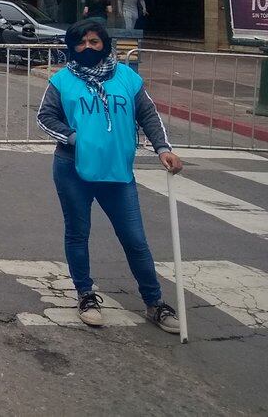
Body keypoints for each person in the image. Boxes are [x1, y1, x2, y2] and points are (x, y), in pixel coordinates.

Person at [36, 20, 184, 333]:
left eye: (94, 41)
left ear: (104, 42)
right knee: (78, 233)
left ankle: (154, 302)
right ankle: (85, 294)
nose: (87, 47)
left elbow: (147, 115)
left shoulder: (128, 78)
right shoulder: (62, 80)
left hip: (118, 173)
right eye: (80, 43)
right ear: (72, 47)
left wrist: (163, 149)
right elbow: (45, 117)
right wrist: (74, 138)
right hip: (72, 170)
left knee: (135, 239)